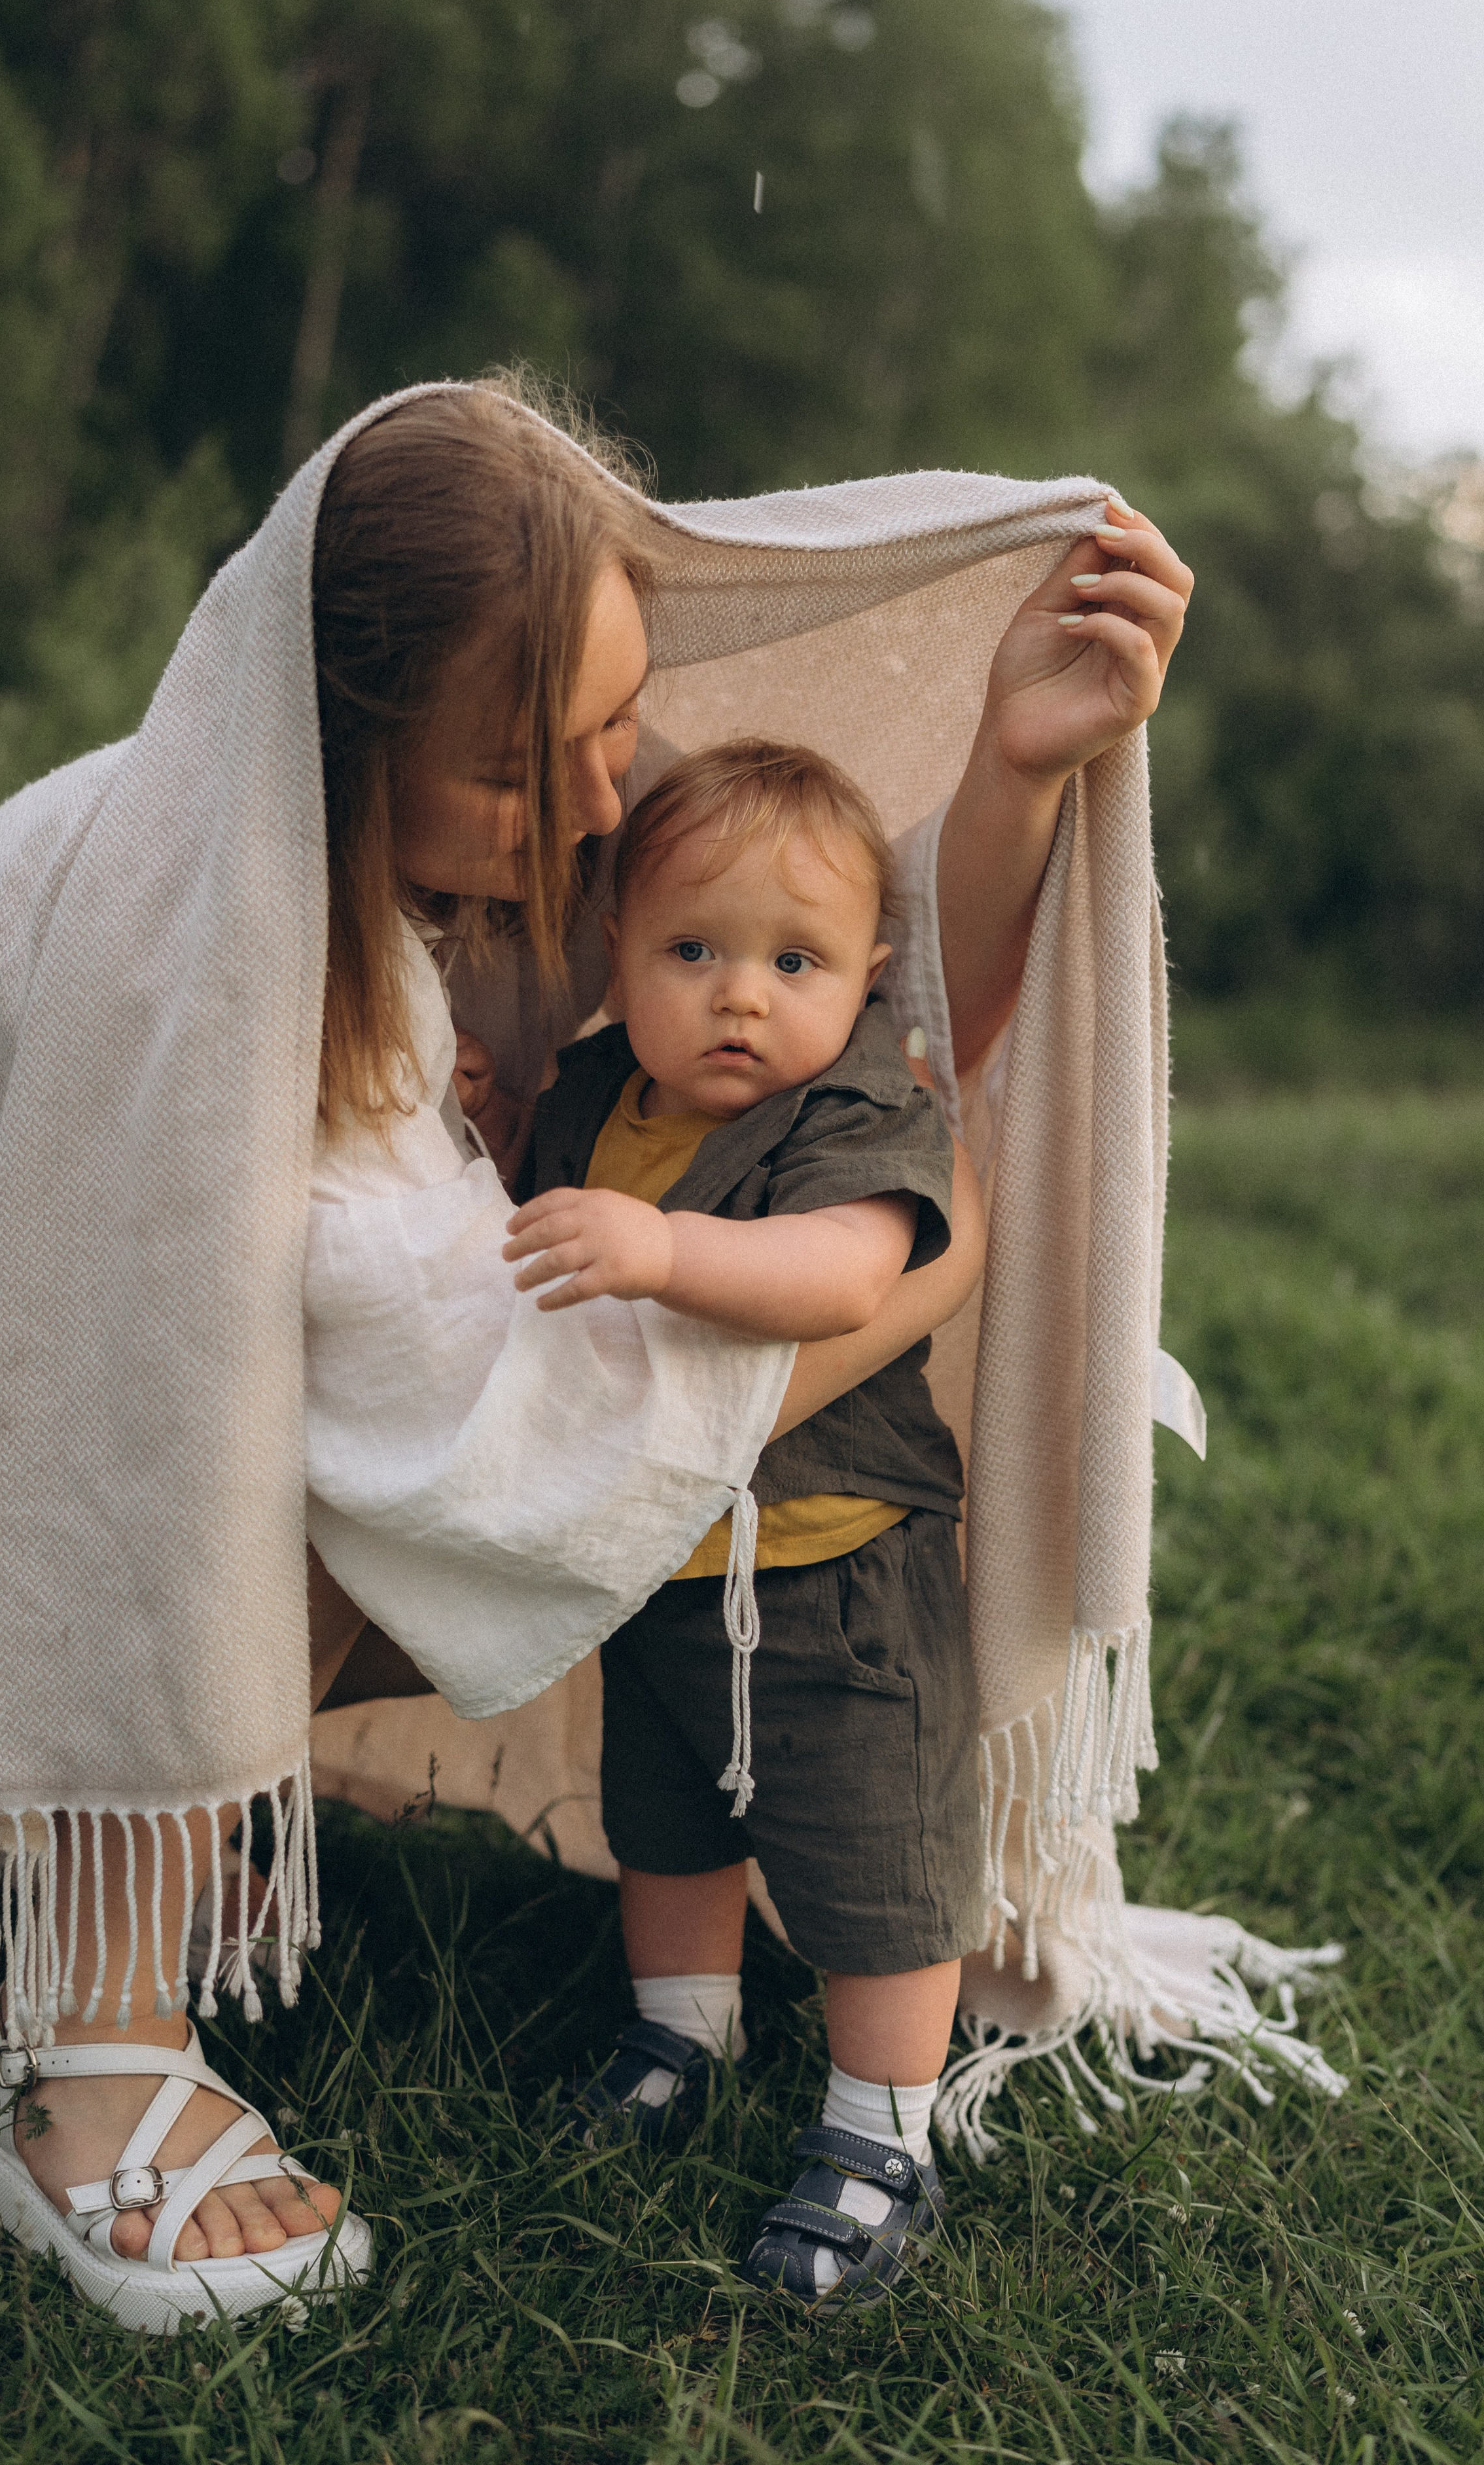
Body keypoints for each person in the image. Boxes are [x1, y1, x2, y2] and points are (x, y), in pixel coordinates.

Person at [0, 376, 1192, 2330]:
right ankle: (70, 2046)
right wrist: (912, 1275)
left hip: (174, 1451)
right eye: (539, 762)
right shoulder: (169, 930)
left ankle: (152, 1839)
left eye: (617, 714)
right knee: (288, 1456)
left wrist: (1013, 771)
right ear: (337, 740)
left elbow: (845, 1009)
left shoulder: (498, 838)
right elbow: (290, 1434)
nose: (608, 797)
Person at [508, 738, 984, 2306]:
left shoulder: (858, 1102)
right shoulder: (587, 1093)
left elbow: (847, 1275)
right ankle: (678, 2025)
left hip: (836, 1566)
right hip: (657, 1565)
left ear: (868, 976)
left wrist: (653, 1246)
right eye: (690, 950)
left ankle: (876, 2131)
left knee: (871, 1860)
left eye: (794, 959)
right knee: (666, 1818)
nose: (738, 996)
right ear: (615, 959)